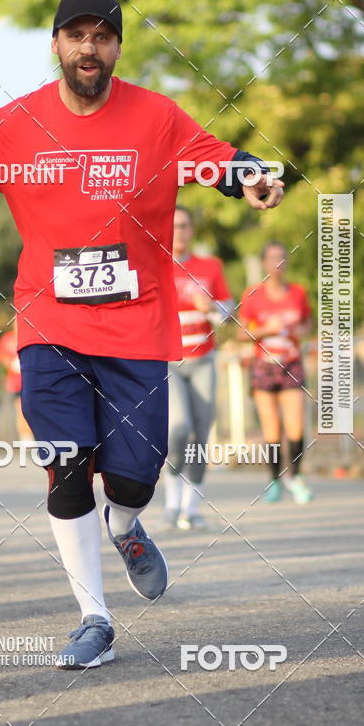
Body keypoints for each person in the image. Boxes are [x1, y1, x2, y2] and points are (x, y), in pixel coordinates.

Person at [0, 0, 283, 668]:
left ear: (117, 48)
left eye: (102, 36)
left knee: (134, 476)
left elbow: (218, 158)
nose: (88, 48)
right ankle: (94, 618)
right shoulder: (22, 121)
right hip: (49, 325)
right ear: (57, 45)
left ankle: (126, 524)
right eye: (76, 35)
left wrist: (251, 177)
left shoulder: (155, 117)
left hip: (136, 332)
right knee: (66, 463)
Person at [164, 206, 233, 530]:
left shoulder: (210, 266)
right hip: (170, 363)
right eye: (174, 226)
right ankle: (172, 498)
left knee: (200, 436)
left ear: (192, 230)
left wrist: (213, 307)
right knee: (178, 427)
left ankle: (192, 507)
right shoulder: (155, 264)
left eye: (185, 225)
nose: (179, 231)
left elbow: (227, 313)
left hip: (204, 359)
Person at [238, 241, 312, 504]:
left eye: (282, 258)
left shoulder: (298, 293)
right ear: (264, 263)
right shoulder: (253, 294)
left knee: (295, 426)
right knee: (271, 429)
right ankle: (274, 480)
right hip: (264, 366)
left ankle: (296, 477)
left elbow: (307, 322)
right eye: (272, 258)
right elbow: (241, 332)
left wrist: (299, 331)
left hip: (291, 363)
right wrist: (265, 330)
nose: (278, 263)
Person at [0, 322, 33, 440]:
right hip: (16, 383)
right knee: (21, 409)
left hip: (31, 380)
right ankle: (25, 437)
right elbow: (0, 356)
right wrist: (10, 364)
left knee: (33, 408)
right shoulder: (8, 339)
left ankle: (34, 435)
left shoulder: (30, 335)